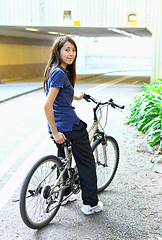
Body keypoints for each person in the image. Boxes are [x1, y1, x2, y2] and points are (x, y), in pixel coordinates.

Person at [43, 36, 103, 215]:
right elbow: (47, 105)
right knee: (86, 163)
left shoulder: (55, 71)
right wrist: (55, 132)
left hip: (60, 127)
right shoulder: (60, 73)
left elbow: (60, 94)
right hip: (68, 126)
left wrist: (77, 96)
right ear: (58, 51)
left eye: (73, 50)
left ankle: (65, 193)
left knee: (64, 160)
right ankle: (90, 204)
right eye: (67, 49)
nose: (71, 54)